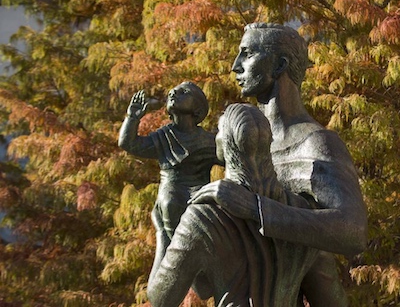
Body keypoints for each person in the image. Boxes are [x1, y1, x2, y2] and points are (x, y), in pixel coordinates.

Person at [190, 23, 368, 306]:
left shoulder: (316, 143)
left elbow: (353, 230)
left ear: (279, 65)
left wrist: (253, 208)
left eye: (247, 54)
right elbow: (206, 286)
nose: (236, 66)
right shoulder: (245, 146)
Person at [148, 103, 319, 307]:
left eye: (218, 131)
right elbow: (204, 288)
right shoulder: (301, 211)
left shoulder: (202, 216)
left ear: (224, 142)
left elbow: (161, 299)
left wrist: (164, 232)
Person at [118, 81, 220, 282]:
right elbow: (128, 143)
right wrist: (132, 117)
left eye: (183, 92)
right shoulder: (165, 136)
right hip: (173, 188)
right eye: (173, 91)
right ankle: (178, 262)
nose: (174, 93)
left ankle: (208, 265)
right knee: (170, 204)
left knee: (215, 209)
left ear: (197, 109)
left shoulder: (209, 140)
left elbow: (232, 161)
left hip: (200, 187)